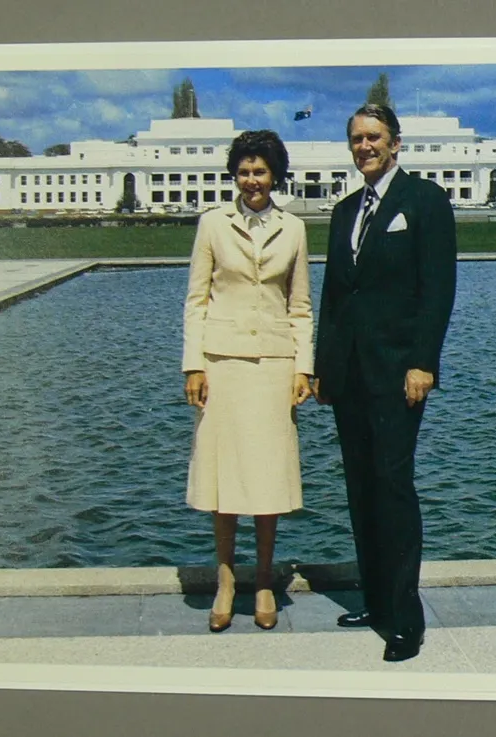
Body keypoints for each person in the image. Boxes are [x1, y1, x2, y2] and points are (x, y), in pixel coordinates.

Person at [312, 103, 457, 662]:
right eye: (356, 139)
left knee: (393, 488)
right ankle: (374, 598)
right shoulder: (346, 209)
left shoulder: (424, 201)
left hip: (399, 375)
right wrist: (325, 368)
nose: (364, 147)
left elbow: (437, 289)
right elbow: (334, 296)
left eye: (373, 137)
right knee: (361, 487)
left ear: (396, 143)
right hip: (349, 376)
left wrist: (424, 363)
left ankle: (405, 619)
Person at [181, 129, 314, 633]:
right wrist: (194, 364)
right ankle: (226, 579)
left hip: (274, 366)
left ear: (274, 175)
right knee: (222, 477)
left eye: (260, 171)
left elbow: (299, 307)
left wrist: (304, 367)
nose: (252, 180)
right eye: (244, 171)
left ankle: (262, 579)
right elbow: (197, 301)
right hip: (222, 364)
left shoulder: (294, 229)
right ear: (234, 176)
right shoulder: (213, 224)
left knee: (265, 476)